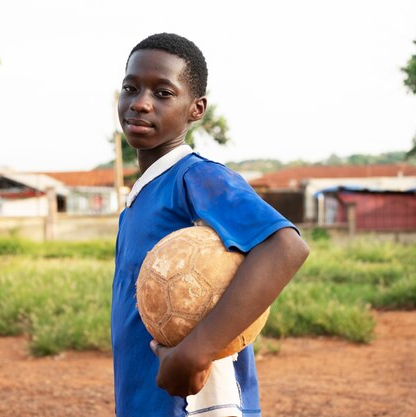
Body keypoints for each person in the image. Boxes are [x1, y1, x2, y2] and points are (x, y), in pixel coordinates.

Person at [112, 33, 310, 417]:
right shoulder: (142, 193)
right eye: (130, 88)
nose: (140, 103)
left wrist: (196, 351)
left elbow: (286, 246)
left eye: (163, 93)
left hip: (197, 404)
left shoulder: (196, 177)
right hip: (146, 399)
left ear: (196, 108)